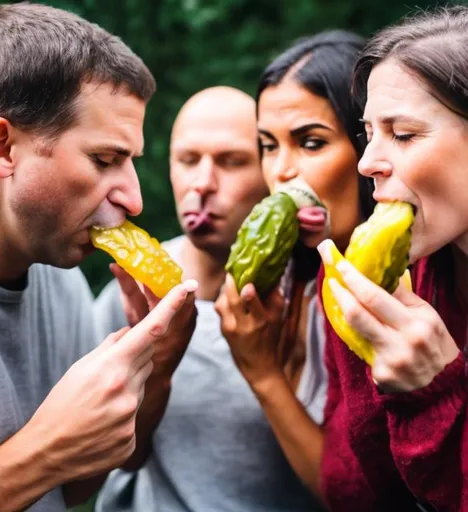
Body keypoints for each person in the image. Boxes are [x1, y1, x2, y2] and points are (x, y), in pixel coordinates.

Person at [0, 3, 197, 511]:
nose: (133, 199)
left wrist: (159, 368)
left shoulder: (60, 277)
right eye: (104, 160)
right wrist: (44, 451)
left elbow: (72, 486)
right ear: (2, 147)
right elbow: (49, 465)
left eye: (130, 163)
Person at [95, 85, 327, 511]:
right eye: (187, 160)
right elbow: (104, 466)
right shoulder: (125, 293)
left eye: (231, 161)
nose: (201, 184)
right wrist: (157, 361)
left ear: (271, 173)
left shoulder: (317, 299)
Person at [315, 6, 468, 511]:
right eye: (368, 133)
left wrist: (434, 393)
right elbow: (355, 493)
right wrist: (362, 337)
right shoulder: (401, 279)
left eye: (402, 134)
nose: (367, 163)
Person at [214, 30, 375, 500]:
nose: (282, 170)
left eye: (310, 142)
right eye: (268, 145)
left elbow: (354, 496)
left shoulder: (418, 283)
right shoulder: (289, 281)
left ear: (369, 146)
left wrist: (263, 373)